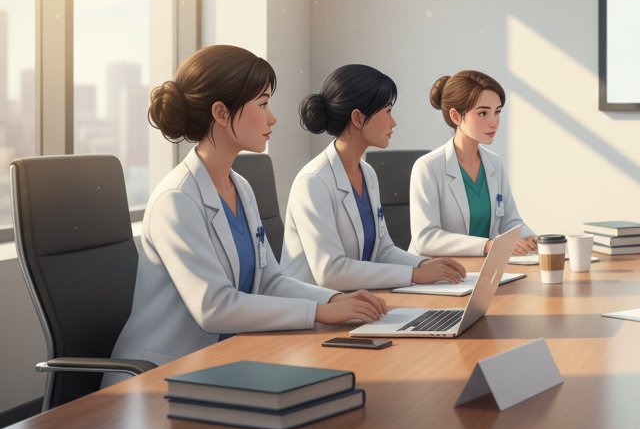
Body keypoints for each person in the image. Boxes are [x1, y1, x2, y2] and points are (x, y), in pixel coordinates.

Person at [107, 46, 386, 382]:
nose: (272, 118)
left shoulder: (239, 187)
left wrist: (338, 299)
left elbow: (270, 281)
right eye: (263, 104)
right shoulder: (176, 199)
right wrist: (321, 311)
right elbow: (214, 307)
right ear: (222, 113)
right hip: (162, 375)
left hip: (226, 360)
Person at [281, 64, 468, 290]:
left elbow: (382, 250)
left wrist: (427, 264)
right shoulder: (313, 182)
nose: (393, 122)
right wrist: (416, 274)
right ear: (358, 118)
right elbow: (331, 273)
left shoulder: (367, 173)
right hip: (316, 311)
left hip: (359, 301)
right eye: (388, 111)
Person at [410, 70, 537, 257]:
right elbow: (426, 239)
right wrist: (487, 246)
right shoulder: (428, 167)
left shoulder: (495, 163)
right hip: (437, 275)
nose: (494, 122)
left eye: (497, 112)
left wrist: (532, 240)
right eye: (483, 113)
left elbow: (510, 222)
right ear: (456, 117)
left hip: (483, 269)